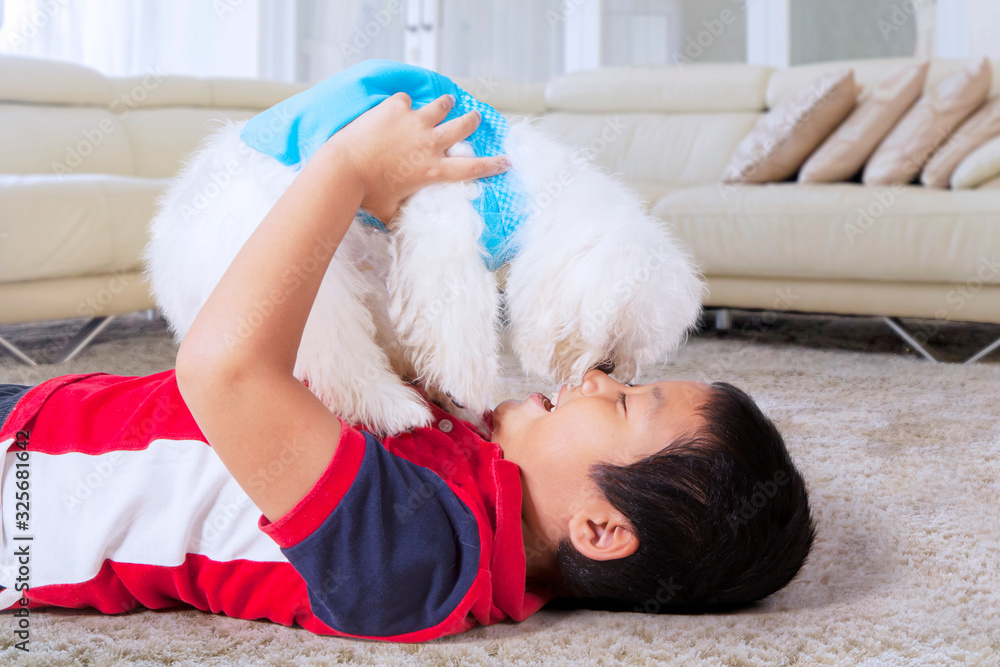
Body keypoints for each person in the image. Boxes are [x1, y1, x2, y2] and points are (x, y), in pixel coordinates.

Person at [0, 92, 815, 642]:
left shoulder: (420, 552)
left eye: (628, 402)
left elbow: (224, 370)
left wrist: (346, 170)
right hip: (42, 416)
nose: (599, 378)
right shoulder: (475, 478)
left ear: (600, 530)